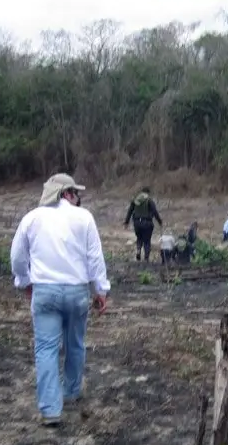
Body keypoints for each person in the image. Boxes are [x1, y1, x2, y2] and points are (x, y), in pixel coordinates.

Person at [11, 173, 111, 427]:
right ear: (66, 193)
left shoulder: (31, 219)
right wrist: (100, 290)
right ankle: (71, 391)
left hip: (45, 291)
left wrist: (24, 281)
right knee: (75, 343)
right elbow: (94, 258)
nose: (78, 198)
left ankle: (50, 409)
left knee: (46, 348)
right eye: (76, 193)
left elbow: (17, 258)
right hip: (77, 291)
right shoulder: (84, 217)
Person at [123, 186, 163, 262]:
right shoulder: (149, 200)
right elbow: (155, 211)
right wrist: (160, 222)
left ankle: (138, 250)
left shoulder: (135, 200)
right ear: (148, 193)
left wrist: (126, 222)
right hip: (147, 223)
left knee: (139, 238)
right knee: (147, 241)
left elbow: (130, 211)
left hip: (137, 223)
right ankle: (146, 258)